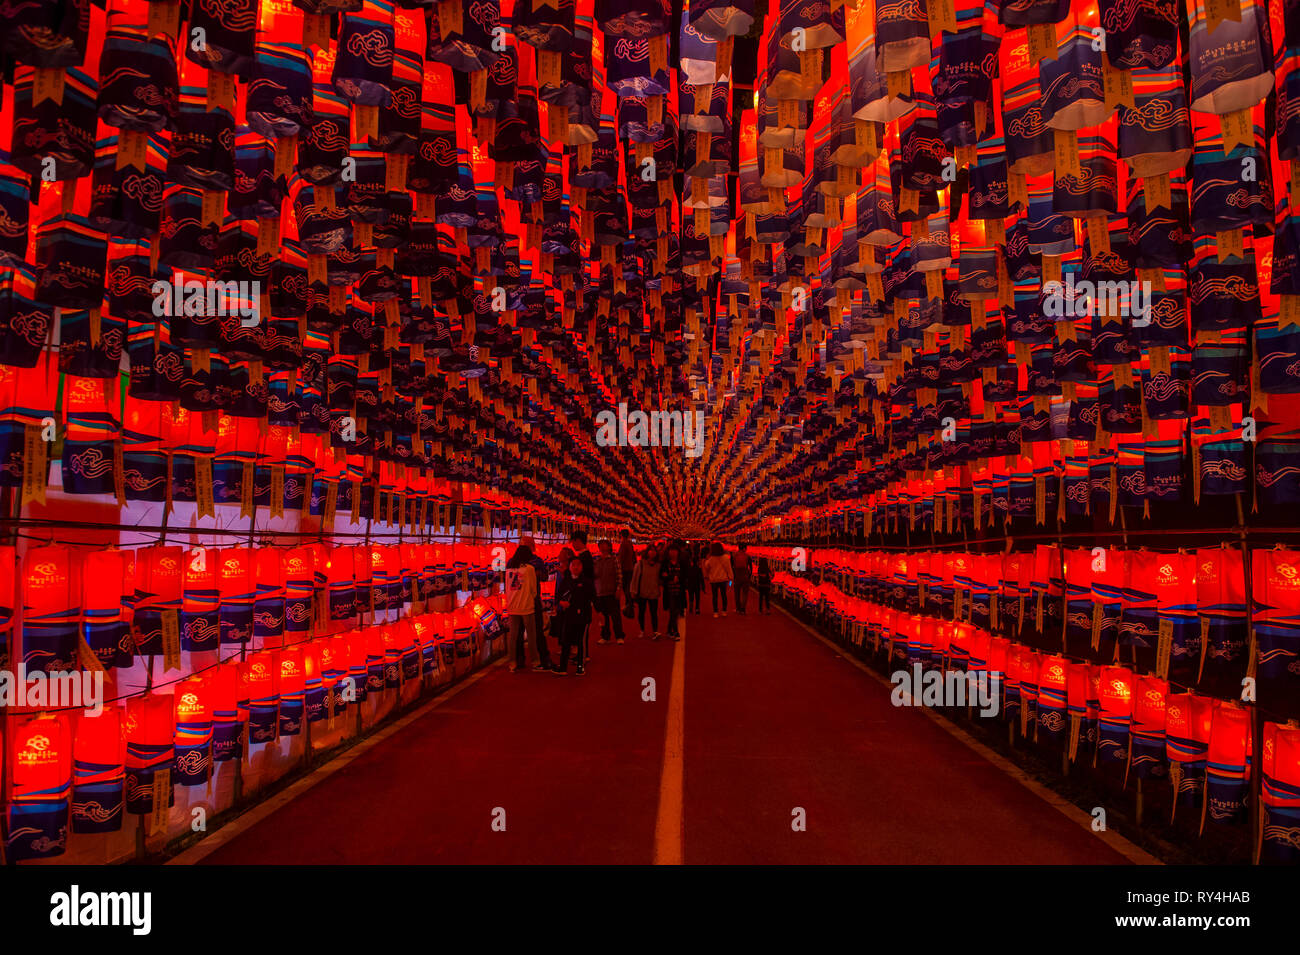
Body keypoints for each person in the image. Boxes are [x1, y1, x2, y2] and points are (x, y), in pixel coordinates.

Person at [504, 544, 547, 672]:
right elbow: (534, 590)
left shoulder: (509, 569)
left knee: (513, 636)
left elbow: (506, 587)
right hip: (527, 605)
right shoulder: (529, 569)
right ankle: (535, 661)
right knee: (531, 635)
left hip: (512, 605)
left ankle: (512, 662)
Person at [554, 556, 594, 675]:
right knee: (566, 640)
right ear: (569, 567)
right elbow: (558, 596)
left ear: (582, 567)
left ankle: (580, 667)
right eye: (573, 565)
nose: (576, 567)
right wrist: (561, 602)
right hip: (569, 615)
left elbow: (591, 597)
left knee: (580, 641)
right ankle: (563, 667)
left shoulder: (586, 582)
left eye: (578, 565)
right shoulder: (565, 581)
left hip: (583, 615)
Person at [520, 535, 550, 663]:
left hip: (533, 599)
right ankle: (519, 659)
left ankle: (543, 657)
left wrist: (538, 574)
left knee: (537, 630)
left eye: (527, 545)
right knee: (518, 632)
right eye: (523, 545)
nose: (525, 548)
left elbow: (545, 577)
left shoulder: (537, 561)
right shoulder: (514, 561)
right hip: (519, 600)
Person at [593, 538, 625, 644]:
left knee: (615, 615)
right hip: (600, 592)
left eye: (604, 545)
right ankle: (605, 636)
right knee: (603, 616)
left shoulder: (614, 559)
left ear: (609, 547)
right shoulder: (597, 561)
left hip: (611, 591)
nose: (602, 547)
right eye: (600, 545)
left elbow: (619, 575)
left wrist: (619, 588)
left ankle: (619, 636)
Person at [629, 544, 661, 638]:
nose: (652, 552)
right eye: (650, 550)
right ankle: (642, 629)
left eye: (654, 550)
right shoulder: (640, 564)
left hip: (654, 592)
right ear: (647, 552)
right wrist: (633, 591)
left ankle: (655, 630)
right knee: (641, 612)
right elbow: (635, 578)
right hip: (642, 592)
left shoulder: (658, 565)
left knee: (654, 613)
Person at [660, 544, 686, 640]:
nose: (673, 552)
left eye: (675, 550)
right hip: (669, 590)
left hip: (679, 590)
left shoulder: (681, 562)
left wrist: (678, 578)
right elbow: (662, 575)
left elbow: (685, 574)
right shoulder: (665, 563)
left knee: (676, 611)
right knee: (672, 610)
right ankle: (676, 632)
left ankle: (668, 630)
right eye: (671, 550)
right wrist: (671, 577)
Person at [702, 541, 733, 617]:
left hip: (714, 580)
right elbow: (729, 569)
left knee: (715, 596)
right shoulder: (725, 557)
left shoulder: (711, 558)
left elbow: (706, 566)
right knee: (724, 595)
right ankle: (724, 611)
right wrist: (731, 580)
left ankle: (715, 612)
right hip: (723, 580)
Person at [732, 543, 752, 615]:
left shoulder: (734, 556)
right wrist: (749, 575)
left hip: (737, 576)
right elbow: (751, 568)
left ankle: (738, 608)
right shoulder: (747, 556)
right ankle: (743, 609)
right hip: (745, 576)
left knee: (737, 593)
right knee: (745, 593)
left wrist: (733, 577)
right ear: (744, 548)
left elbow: (732, 567)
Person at [617, 529, 636, 601]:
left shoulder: (623, 543)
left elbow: (621, 557)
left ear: (621, 535)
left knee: (625, 587)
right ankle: (629, 602)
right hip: (630, 567)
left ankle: (628, 604)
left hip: (625, 568)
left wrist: (618, 567)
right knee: (629, 585)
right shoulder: (629, 543)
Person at [684, 543, 703, 615]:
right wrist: (703, 586)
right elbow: (701, 578)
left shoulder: (689, 569)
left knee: (691, 595)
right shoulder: (699, 569)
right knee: (697, 597)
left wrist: (686, 584)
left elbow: (686, 577)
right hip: (697, 585)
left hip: (690, 585)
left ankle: (691, 606)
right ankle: (697, 608)